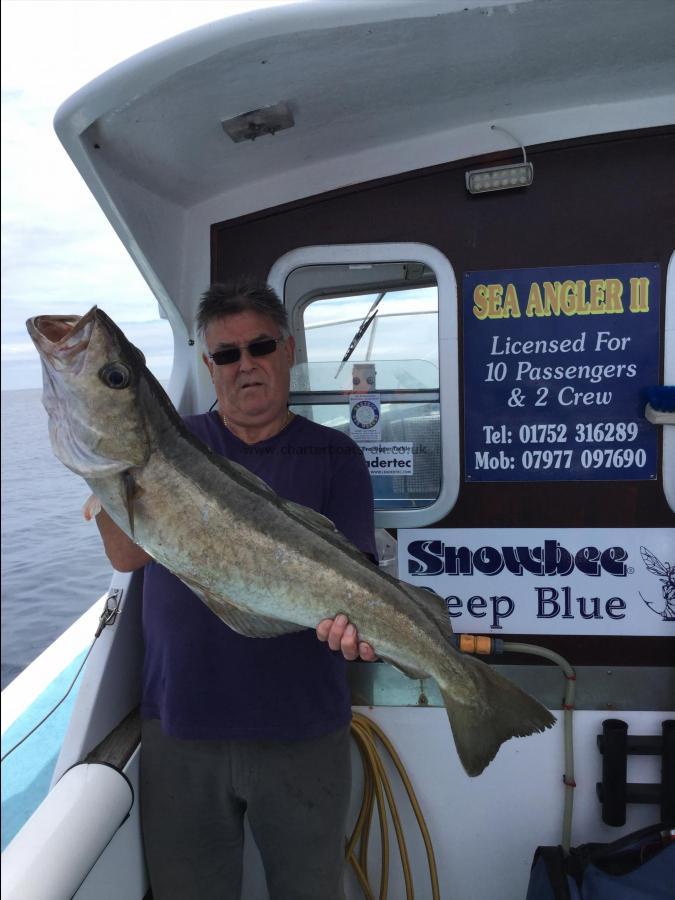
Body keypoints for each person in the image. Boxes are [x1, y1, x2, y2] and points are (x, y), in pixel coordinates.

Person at [93, 279, 378, 900]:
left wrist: (361, 633)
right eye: (227, 354)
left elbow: (358, 576)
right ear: (208, 365)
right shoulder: (170, 446)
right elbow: (124, 551)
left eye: (260, 346)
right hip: (182, 727)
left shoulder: (334, 456)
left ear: (288, 349)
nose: (245, 365)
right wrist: (114, 461)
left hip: (303, 730)